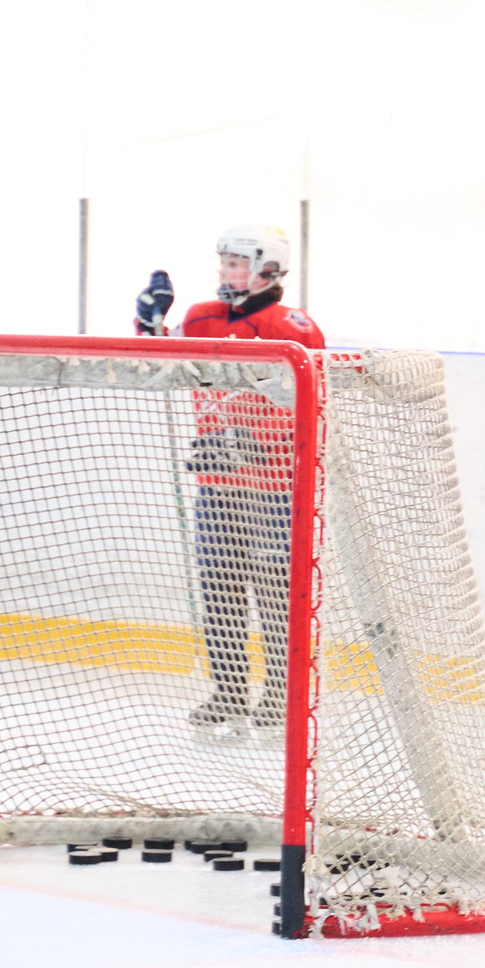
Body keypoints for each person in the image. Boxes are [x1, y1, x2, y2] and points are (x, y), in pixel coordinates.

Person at [137, 224, 326, 736]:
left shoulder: (294, 327)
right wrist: (147, 320)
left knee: (274, 594)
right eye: (224, 262)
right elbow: (157, 361)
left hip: (275, 490)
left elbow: (307, 401)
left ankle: (280, 700)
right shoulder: (201, 318)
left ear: (269, 268)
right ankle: (230, 692)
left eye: (237, 263)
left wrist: (254, 443)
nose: (226, 272)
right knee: (219, 589)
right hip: (217, 487)